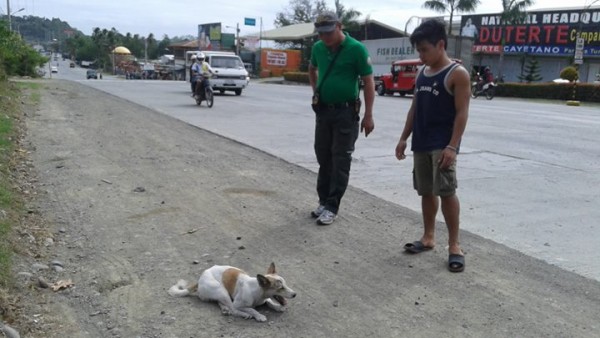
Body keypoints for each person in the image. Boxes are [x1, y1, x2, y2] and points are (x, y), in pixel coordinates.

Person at [395, 19, 471, 272]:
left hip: (443, 144)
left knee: (447, 191)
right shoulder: (421, 73)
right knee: (426, 190)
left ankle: (454, 246)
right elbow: (415, 108)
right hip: (422, 142)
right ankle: (428, 237)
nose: (421, 55)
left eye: (424, 49)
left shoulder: (457, 74)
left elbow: (462, 113)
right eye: (418, 50)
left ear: (441, 44)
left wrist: (452, 146)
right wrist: (404, 137)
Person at [308, 11, 375, 226]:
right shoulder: (318, 48)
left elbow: (368, 81)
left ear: (339, 26)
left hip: (346, 113)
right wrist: (316, 91)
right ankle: (323, 200)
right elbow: (312, 68)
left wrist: (369, 115)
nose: (325, 38)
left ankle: (332, 206)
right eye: (321, 34)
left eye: (329, 32)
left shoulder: (356, 49)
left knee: (340, 159)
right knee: (323, 155)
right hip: (324, 111)